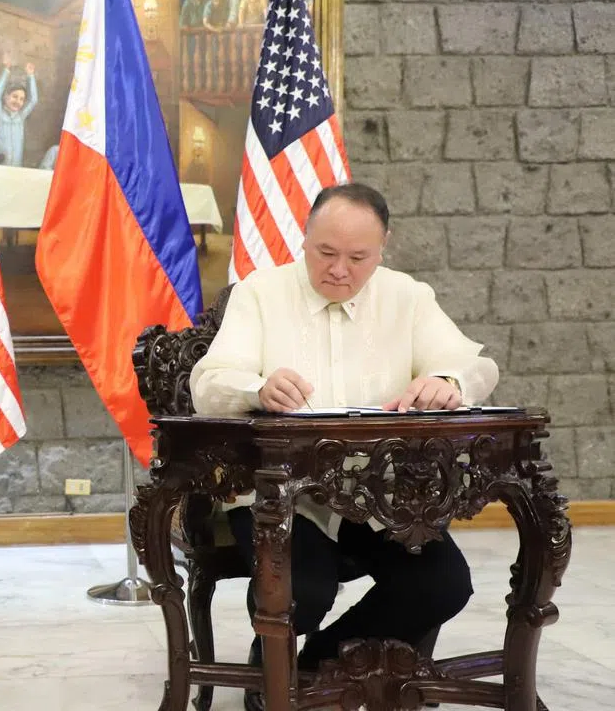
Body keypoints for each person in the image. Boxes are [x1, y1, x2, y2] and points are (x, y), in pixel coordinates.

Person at [189, 183, 498, 711]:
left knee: (443, 583)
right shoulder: (260, 293)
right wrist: (256, 389)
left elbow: (478, 366)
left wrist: (449, 379)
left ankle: (310, 670)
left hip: (380, 495)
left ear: (383, 247)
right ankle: (279, 665)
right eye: (326, 253)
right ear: (304, 239)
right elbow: (207, 384)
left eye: (359, 258)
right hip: (279, 496)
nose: (340, 270)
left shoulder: (408, 297)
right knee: (302, 591)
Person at [0, 58, 38, 167]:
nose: (18, 102)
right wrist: (6, 71)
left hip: (16, 167)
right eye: (14, 97)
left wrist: (30, 76)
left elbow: (33, 100)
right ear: (6, 96)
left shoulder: (20, 117)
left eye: (21, 99)